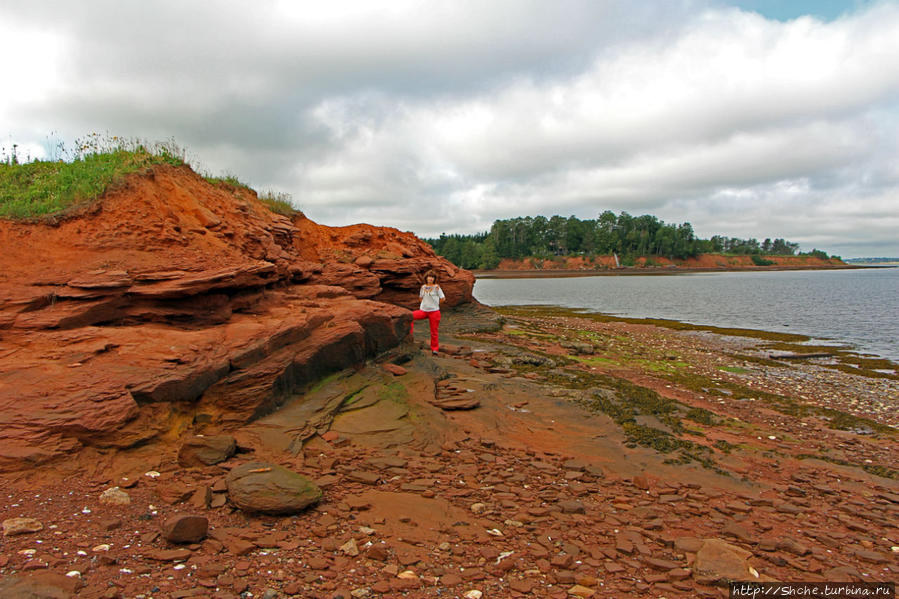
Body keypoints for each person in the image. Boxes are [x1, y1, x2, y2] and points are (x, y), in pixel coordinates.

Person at [411, 270, 445, 355]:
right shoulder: (423, 287)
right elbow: (420, 297)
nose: (430, 278)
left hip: (434, 312)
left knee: (434, 332)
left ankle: (434, 349)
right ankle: (409, 339)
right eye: (429, 277)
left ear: (434, 279)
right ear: (426, 278)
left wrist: (435, 305)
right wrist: (424, 304)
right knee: (410, 316)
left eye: (432, 277)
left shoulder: (437, 287)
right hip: (423, 311)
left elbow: (443, 298)